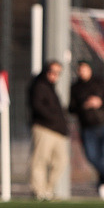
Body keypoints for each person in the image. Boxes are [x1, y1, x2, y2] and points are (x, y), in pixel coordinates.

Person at [69, 61, 104, 200]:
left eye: (84, 69)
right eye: (80, 70)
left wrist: (100, 102)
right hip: (87, 127)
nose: (82, 72)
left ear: (90, 69)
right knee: (92, 157)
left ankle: (103, 185)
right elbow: (71, 108)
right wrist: (83, 105)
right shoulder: (76, 87)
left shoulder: (100, 82)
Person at [28, 60, 70, 200]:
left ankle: (48, 189)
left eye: (58, 73)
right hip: (44, 128)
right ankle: (38, 191)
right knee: (40, 160)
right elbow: (38, 106)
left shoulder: (51, 88)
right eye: (52, 72)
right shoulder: (39, 86)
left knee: (61, 161)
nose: (55, 75)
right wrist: (53, 118)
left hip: (58, 131)